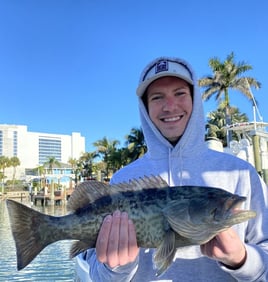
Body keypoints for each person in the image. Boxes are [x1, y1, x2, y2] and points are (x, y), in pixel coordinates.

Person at [76, 56, 268, 281]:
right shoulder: (123, 180)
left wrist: (242, 259)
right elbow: (97, 275)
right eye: (157, 97)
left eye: (180, 93)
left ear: (195, 99)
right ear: (145, 108)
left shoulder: (241, 173)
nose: (170, 106)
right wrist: (116, 268)